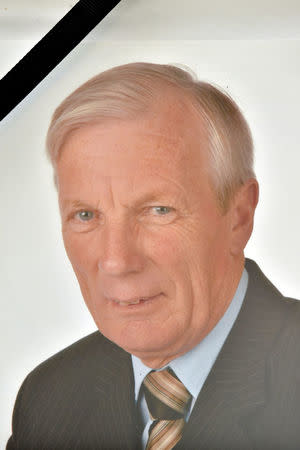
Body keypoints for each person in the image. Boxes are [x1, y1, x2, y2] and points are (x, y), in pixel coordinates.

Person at [7, 62, 300, 450]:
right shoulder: (48, 399)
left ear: (239, 216)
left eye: (158, 210)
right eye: (85, 215)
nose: (116, 261)